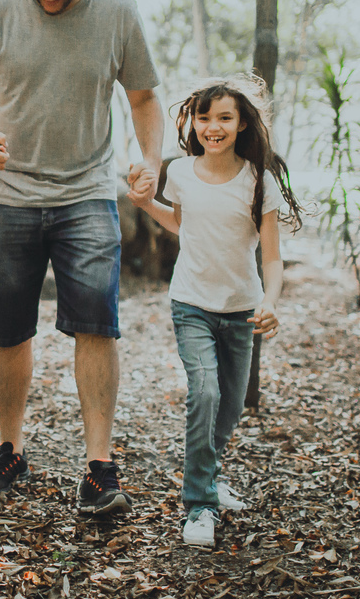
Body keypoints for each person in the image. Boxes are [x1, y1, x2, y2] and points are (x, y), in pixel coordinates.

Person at [0, 0, 164, 516]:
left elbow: (143, 99)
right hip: (5, 194)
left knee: (97, 323)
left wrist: (151, 159)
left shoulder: (118, 12)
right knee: (9, 328)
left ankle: (98, 465)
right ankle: (9, 448)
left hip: (88, 192)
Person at [127, 74, 303, 547]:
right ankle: (199, 504)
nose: (213, 127)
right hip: (191, 304)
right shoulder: (181, 172)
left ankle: (210, 474)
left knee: (229, 405)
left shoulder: (258, 180)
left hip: (243, 308)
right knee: (204, 394)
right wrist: (147, 203)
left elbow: (271, 255)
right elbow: (181, 224)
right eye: (204, 117)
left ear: (242, 122)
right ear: (193, 122)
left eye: (224, 117)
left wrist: (271, 301)